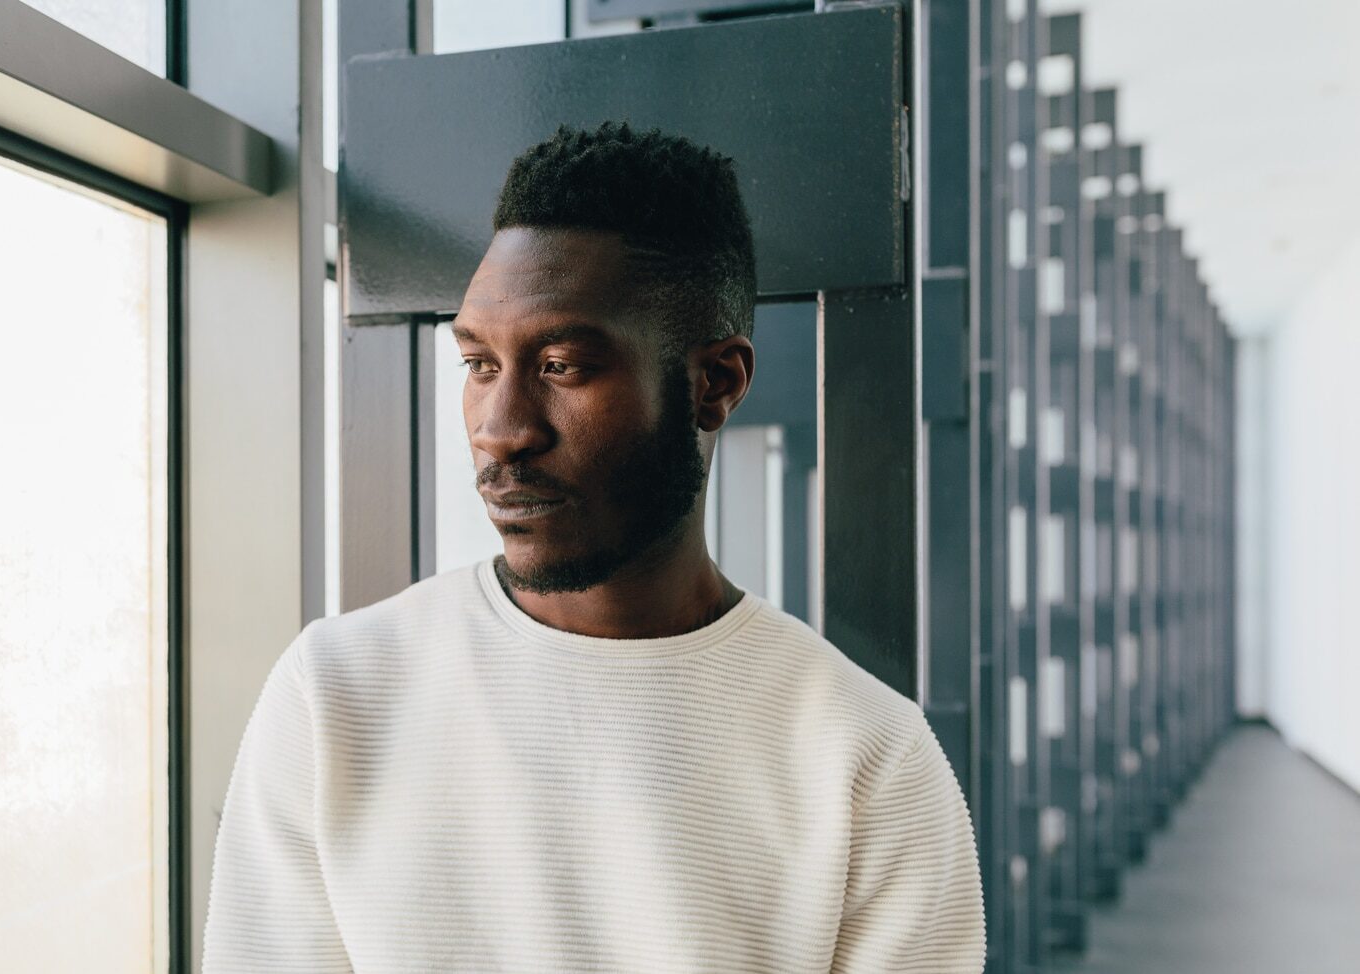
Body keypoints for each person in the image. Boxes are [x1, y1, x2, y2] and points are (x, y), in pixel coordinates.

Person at [200, 122, 984, 973]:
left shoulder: (865, 756)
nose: (500, 433)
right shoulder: (336, 692)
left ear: (713, 383)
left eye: (562, 365)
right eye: (479, 365)